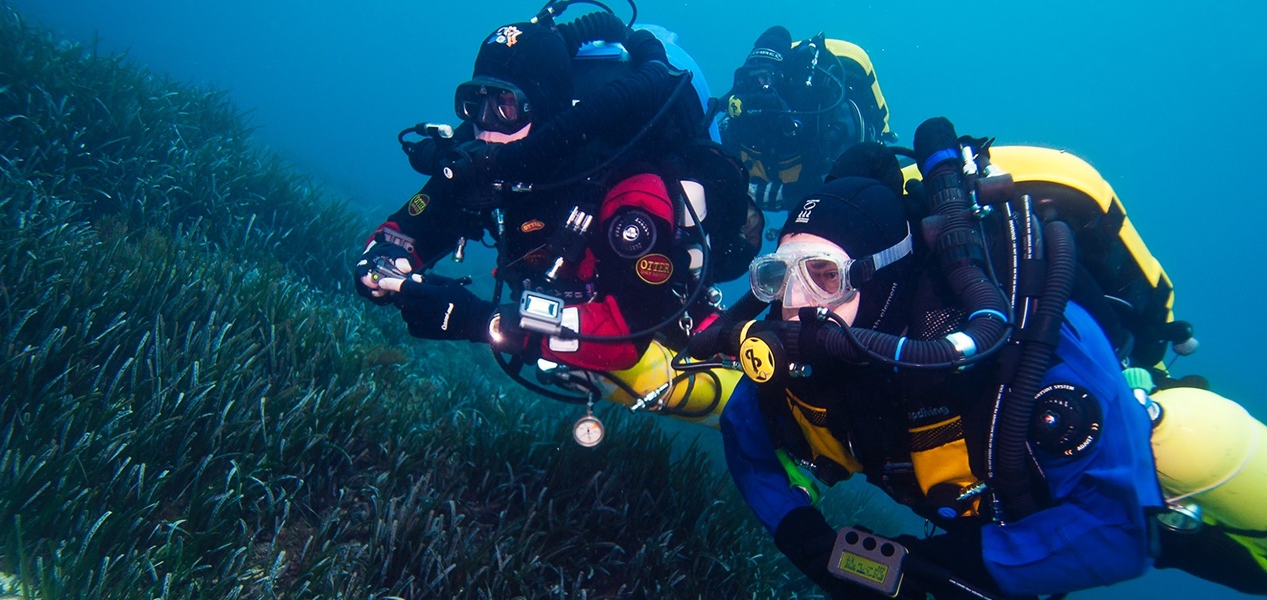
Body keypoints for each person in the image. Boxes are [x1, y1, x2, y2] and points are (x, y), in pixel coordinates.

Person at [689, 118, 1267, 597]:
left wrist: (944, 566)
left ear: (886, 274)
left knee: (1189, 441)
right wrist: (802, 536)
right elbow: (747, 439)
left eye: (823, 275)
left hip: (1137, 483)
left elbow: (1113, 522)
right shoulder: (791, 365)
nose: (794, 304)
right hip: (990, 517)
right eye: (776, 276)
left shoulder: (1016, 338)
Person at [353, 8, 760, 428]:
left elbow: (626, 333)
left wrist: (482, 321)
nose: (486, 127)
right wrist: (384, 257)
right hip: (563, 309)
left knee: (661, 376)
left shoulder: (626, 182)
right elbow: (414, 225)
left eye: (506, 105)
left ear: (546, 109)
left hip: (644, 312)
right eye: (475, 103)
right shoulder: (487, 156)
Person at [719, 25, 896, 214]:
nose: (758, 87)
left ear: (783, 80)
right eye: (751, 78)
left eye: (766, 77)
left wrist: (775, 194)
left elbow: (832, 182)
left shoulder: (819, 115)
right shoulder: (739, 121)